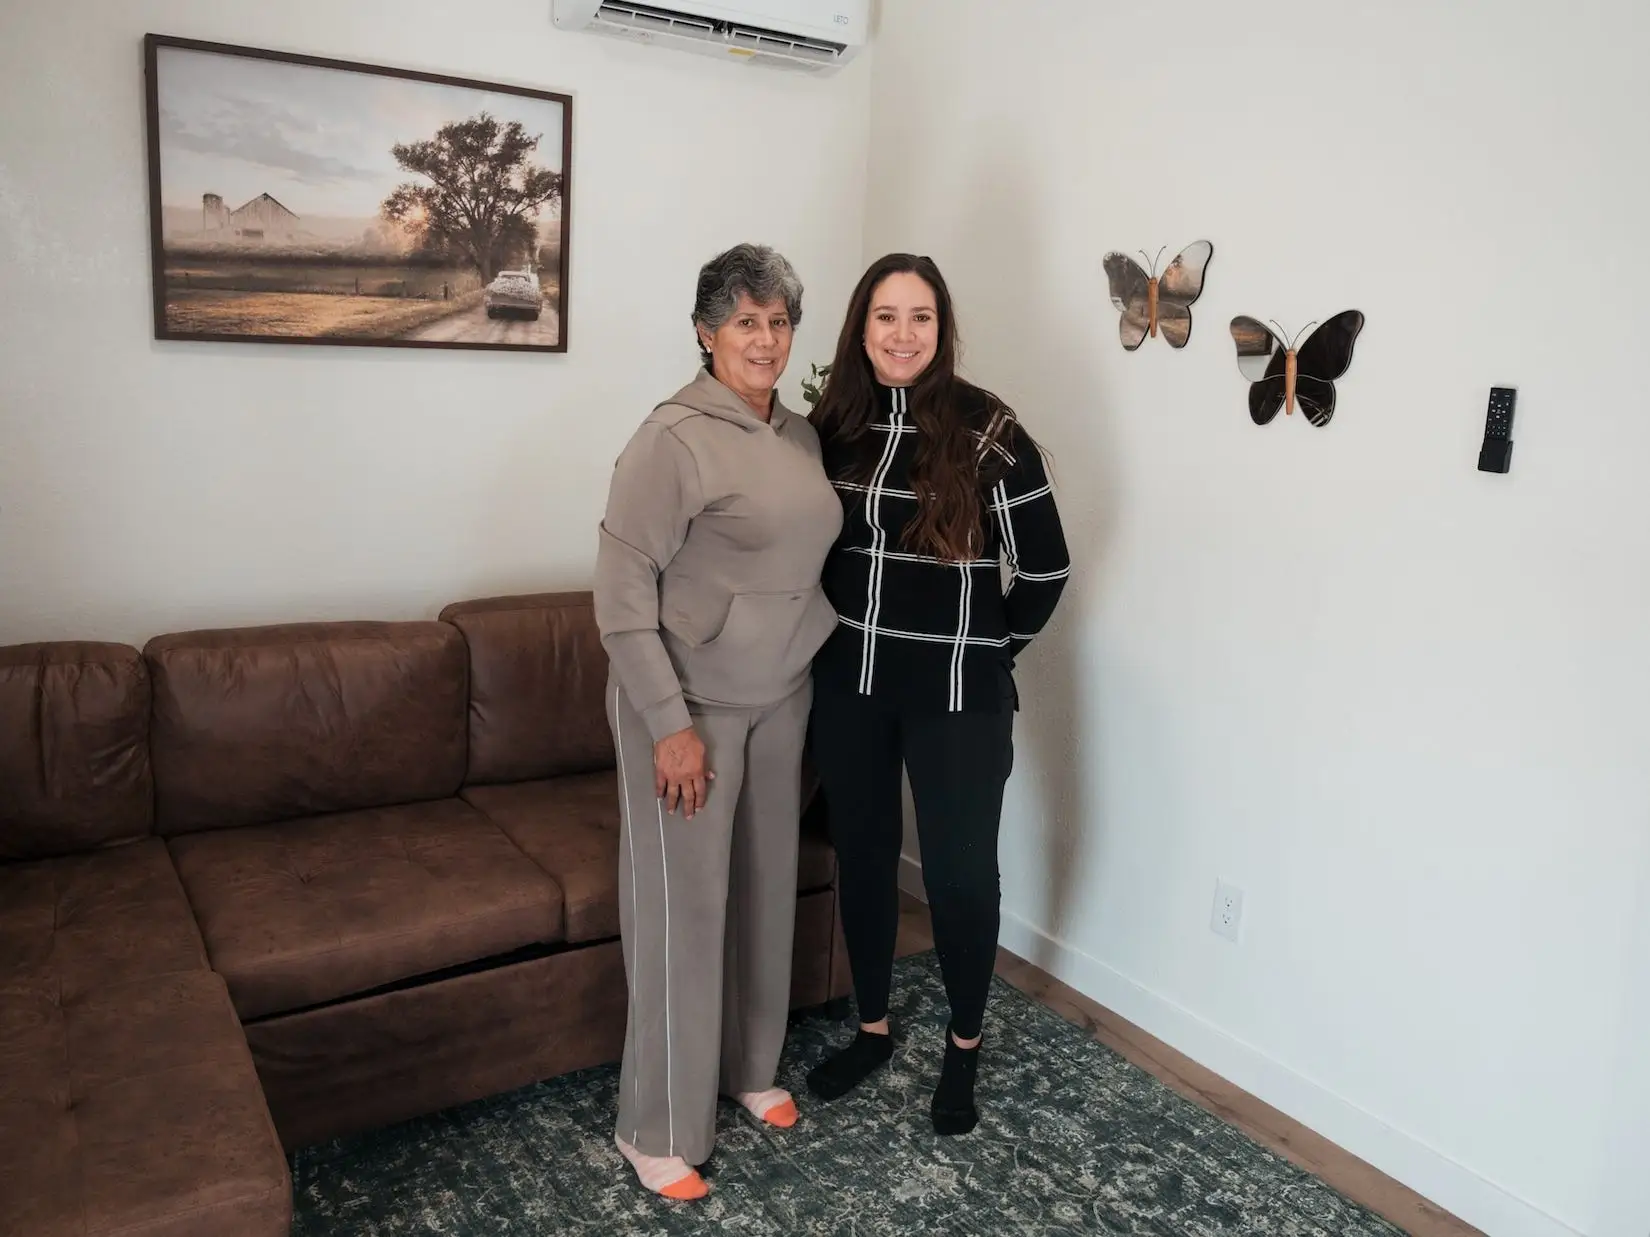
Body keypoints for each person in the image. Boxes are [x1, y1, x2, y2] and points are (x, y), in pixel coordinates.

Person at [593, 243, 842, 1199]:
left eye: (779, 321)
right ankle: (654, 1123)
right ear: (706, 333)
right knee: (682, 913)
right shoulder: (671, 438)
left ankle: (748, 1067)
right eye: (745, 321)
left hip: (782, 697)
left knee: (765, 893)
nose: (766, 339)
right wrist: (668, 723)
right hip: (688, 706)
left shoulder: (802, 435)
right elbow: (621, 597)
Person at [803, 253, 1070, 1135]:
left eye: (921, 316)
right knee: (865, 856)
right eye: (886, 315)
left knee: (958, 876)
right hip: (850, 685)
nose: (903, 334)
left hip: (959, 693)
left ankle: (963, 1044)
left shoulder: (988, 429)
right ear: (861, 327)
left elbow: (1046, 568)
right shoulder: (830, 426)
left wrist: (989, 648)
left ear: (942, 328)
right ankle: (873, 1027)